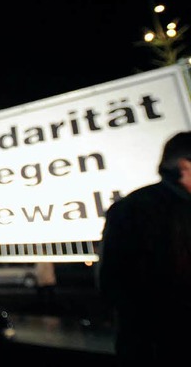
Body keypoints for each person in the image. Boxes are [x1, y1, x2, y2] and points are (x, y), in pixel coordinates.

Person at [98, 131, 191, 366]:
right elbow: (113, 282)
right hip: (157, 347)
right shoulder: (134, 210)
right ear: (184, 165)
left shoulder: (131, 208)